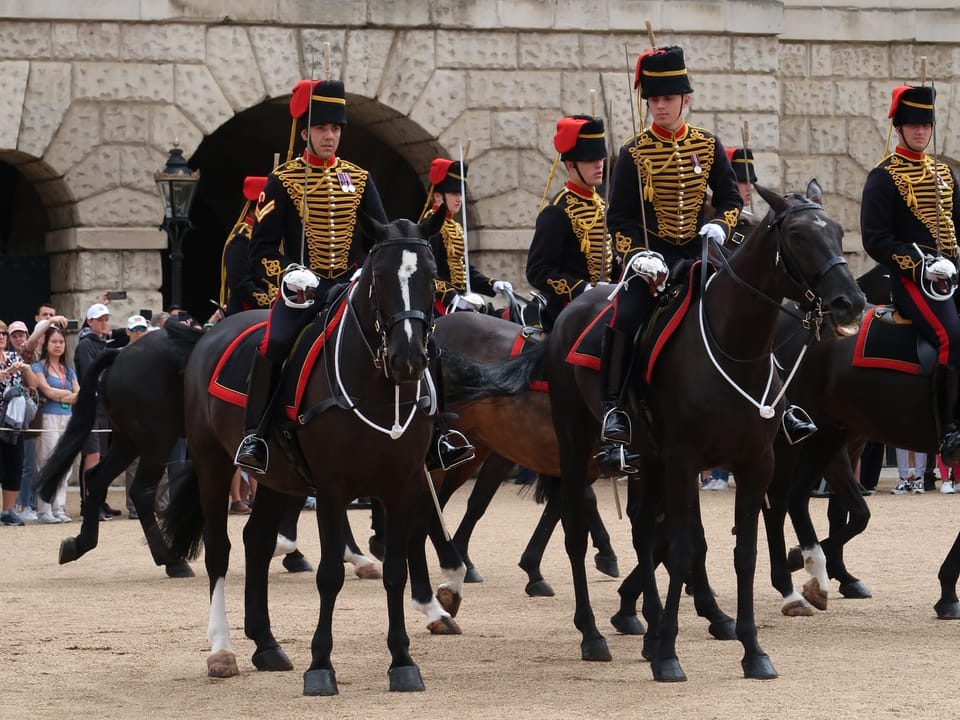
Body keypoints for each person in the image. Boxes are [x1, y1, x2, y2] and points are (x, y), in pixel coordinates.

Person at [236, 78, 471, 475]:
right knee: (275, 343)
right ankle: (256, 435)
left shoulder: (358, 179)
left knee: (419, 340)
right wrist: (289, 273)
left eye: (336, 129)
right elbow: (259, 249)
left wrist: (372, 268)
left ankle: (441, 432)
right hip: (303, 292)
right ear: (306, 131)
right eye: (322, 129)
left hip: (350, 286)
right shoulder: (285, 180)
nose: (330, 136)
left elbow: (379, 234)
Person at [598, 46, 815, 478]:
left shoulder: (707, 144)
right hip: (653, 259)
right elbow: (619, 217)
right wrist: (638, 254)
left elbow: (731, 198)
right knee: (627, 314)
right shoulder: (633, 153)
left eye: (667, 98)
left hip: (703, 252)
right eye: (653, 99)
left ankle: (783, 405)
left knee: (747, 310)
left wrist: (721, 224)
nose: (659, 106)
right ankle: (615, 410)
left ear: (685, 100)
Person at [861, 83, 960, 463]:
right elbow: (876, 239)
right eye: (913, 124)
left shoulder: (944, 173)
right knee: (951, 335)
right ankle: (950, 427)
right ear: (898, 127)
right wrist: (920, 264)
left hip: (953, 276)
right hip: (913, 282)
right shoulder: (883, 177)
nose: (921, 131)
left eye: (926, 125)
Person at [526, 114, 614, 331]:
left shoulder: (602, 206)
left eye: (600, 159)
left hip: (603, 302)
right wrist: (581, 289)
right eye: (590, 160)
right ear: (570, 164)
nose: (598, 165)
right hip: (567, 311)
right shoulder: (557, 210)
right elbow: (538, 271)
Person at [421, 157, 511, 314]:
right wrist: (453, 298)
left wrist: (492, 284)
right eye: (454, 193)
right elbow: (426, 272)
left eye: (460, 194)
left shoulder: (453, 225)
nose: (459, 199)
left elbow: (464, 270)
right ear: (437, 196)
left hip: (460, 301)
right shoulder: (431, 224)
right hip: (437, 304)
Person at [75, 302, 126, 520]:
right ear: (90, 321)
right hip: (90, 407)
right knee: (93, 455)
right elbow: (91, 373)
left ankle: (98, 500)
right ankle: (89, 504)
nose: (105, 323)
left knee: (103, 457)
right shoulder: (86, 344)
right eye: (100, 319)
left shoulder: (103, 343)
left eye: (107, 319)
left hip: (105, 407)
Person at [31, 325, 79, 523]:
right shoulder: (39, 366)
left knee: (65, 463)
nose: (58, 345)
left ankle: (59, 507)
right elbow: (46, 390)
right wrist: (66, 396)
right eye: (54, 342)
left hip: (67, 418)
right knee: (46, 461)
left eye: (61, 342)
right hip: (48, 418)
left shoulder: (69, 371)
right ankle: (44, 508)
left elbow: (79, 394)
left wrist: (61, 395)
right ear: (47, 344)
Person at [219, 176, 275, 318]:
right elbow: (241, 285)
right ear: (254, 209)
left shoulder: (269, 236)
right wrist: (270, 301)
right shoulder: (241, 239)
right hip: (248, 312)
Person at [0, 320, 38, 526]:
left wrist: (25, 369)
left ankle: (8, 511)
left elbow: (34, 385)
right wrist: (5, 374)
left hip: (14, 420)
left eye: (4, 333)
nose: (2, 336)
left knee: (14, 465)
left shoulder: (14, 356)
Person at [121, 314, 151, 519]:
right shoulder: (122, 355)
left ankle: (159, 504)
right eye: (136, 330)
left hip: (154, 413)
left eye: (142, 330)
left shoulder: (154, 354)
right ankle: (134, 506)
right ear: (128, 332)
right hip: (131, 413)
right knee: (133, 462)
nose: (139, 334)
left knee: (159, 462)